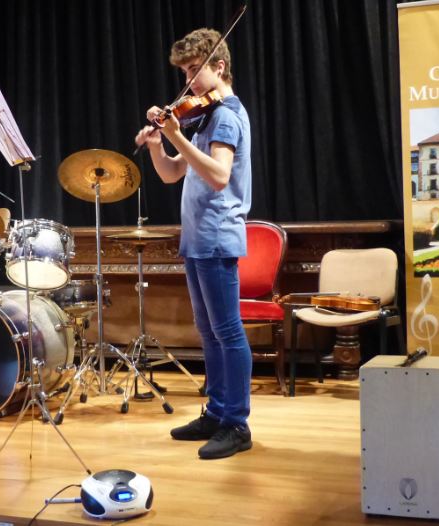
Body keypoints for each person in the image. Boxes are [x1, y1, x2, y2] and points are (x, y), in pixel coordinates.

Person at [134, 28, 253, 459]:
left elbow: (219, 176)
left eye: (193, 69)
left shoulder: (226, 117)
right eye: (183, 71)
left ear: (218, 66)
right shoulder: (204, 116)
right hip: (198, 238)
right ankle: (217, 412)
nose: (186, 80)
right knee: (209, 332)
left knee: (228, 332)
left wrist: (175, 133)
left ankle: (236, 423)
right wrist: (157, 144)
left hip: (218, 235)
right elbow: (172, 174)